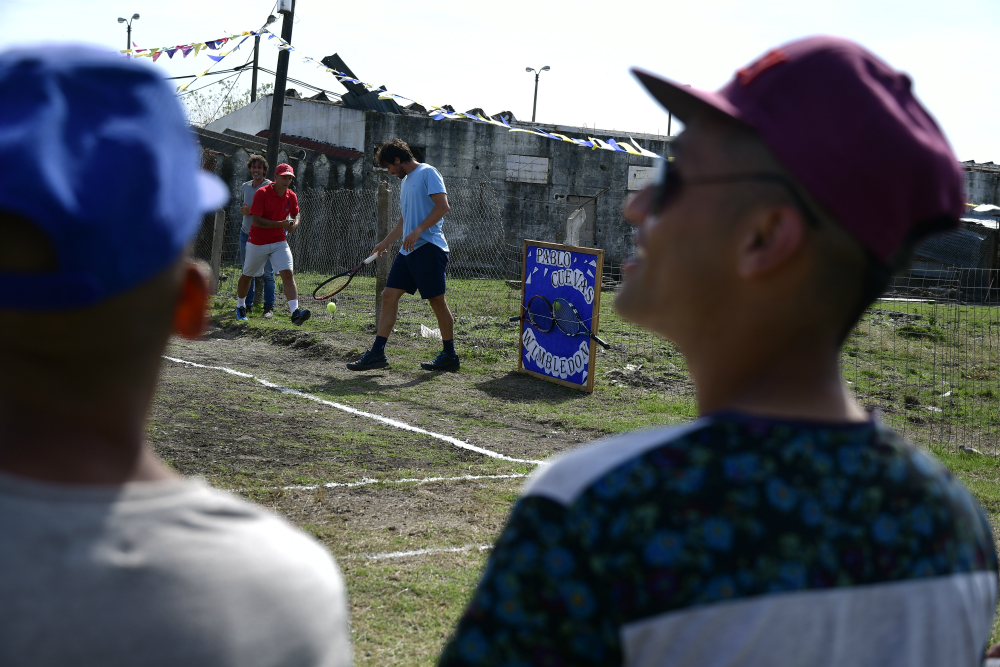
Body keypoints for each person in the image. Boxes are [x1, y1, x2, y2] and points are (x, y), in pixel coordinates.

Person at [438, 36, 998, 667]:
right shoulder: (956, 527)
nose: (635, 204)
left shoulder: (605, 513)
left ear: (764, 236)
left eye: (673, 178)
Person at [0, 45, 351, 666]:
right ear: (189, 307)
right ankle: (249, 304)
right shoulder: (277, 591)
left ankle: (284, 306)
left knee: (285, 277)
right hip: (257, 245)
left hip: (279, 245)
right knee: (257, 278)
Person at [347, 139, 459, 372]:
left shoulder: (428, 172)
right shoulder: (406, 181)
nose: (389, 172)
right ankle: (377, 354)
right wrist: (385, 242)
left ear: (398, 159)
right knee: (388, 295)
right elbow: (404, 219)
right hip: (408, 251)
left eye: (389, 166)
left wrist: (419, 230)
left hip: (430, 248)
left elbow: (443, 206)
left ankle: (450, 356)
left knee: (437, 302)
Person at [236, 162, 310, 325]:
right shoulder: (262, 193)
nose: (286, 180)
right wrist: (282, 224)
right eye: (283, 177)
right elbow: (257, 221)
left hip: (278, 241)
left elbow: (296, 214)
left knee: (288, 274)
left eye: (289, 178)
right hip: (257, 241)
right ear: (275, 177)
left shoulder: (291, 195)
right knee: (247, 275)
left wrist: (294, 224)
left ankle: (295, 313)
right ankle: (240, 306)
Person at [239, 154, 275, 318]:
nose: (256, 170)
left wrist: (250, 210)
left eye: (259, 167)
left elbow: (271, 211)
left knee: (268, 273)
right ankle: (247, 305)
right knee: (248, 272)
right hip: (246, 234)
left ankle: (269, 308)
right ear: (249, 169)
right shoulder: (245, 187)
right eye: (254, 167)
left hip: (265, 236)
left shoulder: (271, 188)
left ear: (265, 170)